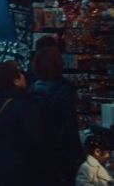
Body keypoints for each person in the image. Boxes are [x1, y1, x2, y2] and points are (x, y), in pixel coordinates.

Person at [0, 61, 47, 186]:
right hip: (19, 170)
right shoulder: (25, 105)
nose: (24, 76)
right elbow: (35, 139)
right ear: (15, 80)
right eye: (20, 74)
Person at [30, 45, 84, 185]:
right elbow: (70, 123)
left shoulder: (32, 90)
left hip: (38, 153)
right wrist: (78, 153)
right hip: (60, 152)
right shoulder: (64, 89)